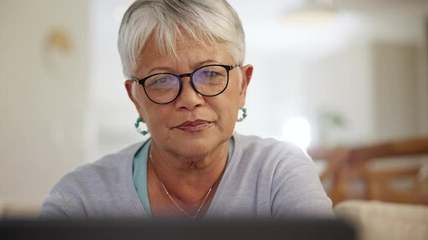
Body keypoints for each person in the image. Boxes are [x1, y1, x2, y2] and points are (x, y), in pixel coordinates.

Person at [40, 0, 333, 219]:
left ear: (242, 86)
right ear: (136, 99)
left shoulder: (280, 173)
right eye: (162, 81)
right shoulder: (82, 197)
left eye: (210, 74)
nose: (190, 99)